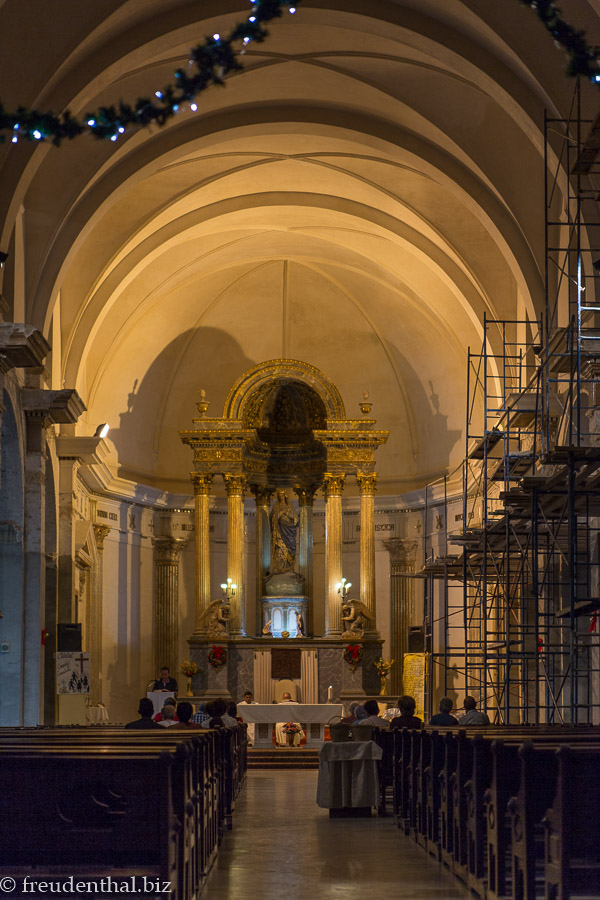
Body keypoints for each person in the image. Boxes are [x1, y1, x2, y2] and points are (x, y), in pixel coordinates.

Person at [270, 490, 299, 574]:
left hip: (288, 532)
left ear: (285, 496)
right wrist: (278, 515)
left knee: (289, 550)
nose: (281, 497)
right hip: (279, 531)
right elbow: (272, 518)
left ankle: (288, 566)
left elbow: (295, 519)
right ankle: (280, 567)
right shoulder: (276, 507)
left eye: (282, 496)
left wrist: (286, 513)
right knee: (279, 549)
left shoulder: (289, 506)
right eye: (279, 496)